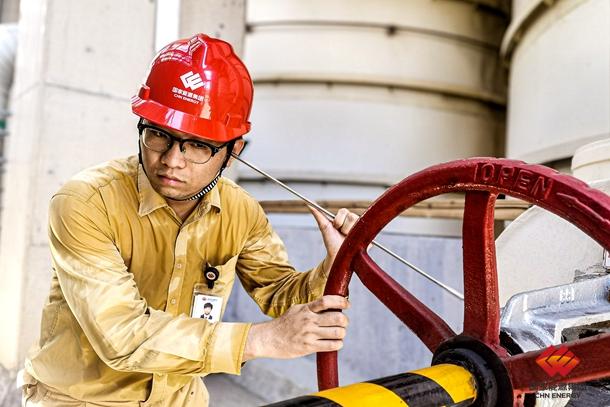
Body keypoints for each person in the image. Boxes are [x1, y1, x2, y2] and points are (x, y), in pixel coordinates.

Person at [20, 34, 359, 406]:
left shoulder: (240, 212)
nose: (171, 161)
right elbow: (121, 333)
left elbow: (280, 296)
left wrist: (334, 266)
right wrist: (261, 339)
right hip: (80, 400)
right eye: (159, 135)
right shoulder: (86, 203)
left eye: (198, 144)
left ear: (233, 151)